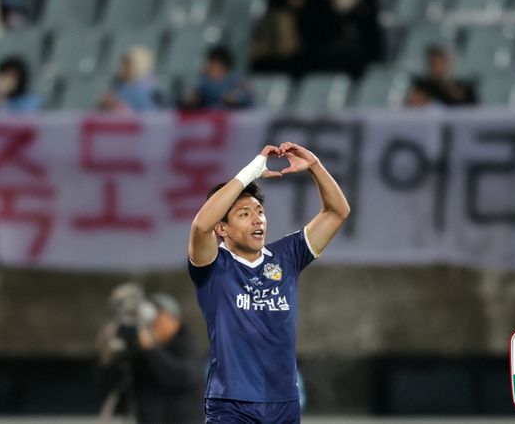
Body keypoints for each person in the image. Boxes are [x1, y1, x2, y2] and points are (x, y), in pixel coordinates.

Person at [187, 142, 350, 422]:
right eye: (244, 214)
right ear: (222, 228)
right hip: (231, 404)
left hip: (283, 402)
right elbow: (201, 225)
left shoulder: (287, 256)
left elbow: (337, 212)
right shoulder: (212, 266)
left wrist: (314, 165)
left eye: (259, 211)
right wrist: (251, 172)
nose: (257, 220)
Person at [99, 286, 205, 424]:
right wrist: (110, 353)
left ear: (175, 321)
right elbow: (112, 384)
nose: (153, 324)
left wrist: (150, 348)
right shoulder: (141, 351)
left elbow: (178, 378)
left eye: (158, 318)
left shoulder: (186, 347)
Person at [407, 44, 478, 107]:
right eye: (434, 64)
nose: (438, 68)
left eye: (442, 63)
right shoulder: (421, 88)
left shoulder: (463, 88)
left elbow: (475, 110)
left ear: (450, 64)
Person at [99, 46, 165, 112]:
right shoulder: (116, 86)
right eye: (123, 63)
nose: (122, 68)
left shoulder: (150, 93)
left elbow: (148, 114)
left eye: (128, 64)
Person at [186, 45, 254, 109]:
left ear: (226, 67)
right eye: (212, 65)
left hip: (233, 114)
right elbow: (193, 96)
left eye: (218, 67)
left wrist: (235, 97)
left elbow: (248, 97)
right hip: (210, 114)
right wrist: (194, 98)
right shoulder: (204, 80)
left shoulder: (235, 78)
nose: (214, 69)